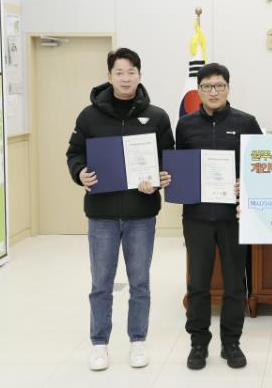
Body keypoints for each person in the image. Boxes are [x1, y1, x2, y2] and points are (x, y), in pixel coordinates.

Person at [66, 47, 174, 371]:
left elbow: (167, 160)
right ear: (109, 76)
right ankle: (99, 344)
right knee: (101, 283)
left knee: (139, 282)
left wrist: (159, 180)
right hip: (102, 214)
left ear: (140, 75)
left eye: (131, 72)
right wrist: (80, 173)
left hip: (142, 213)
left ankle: (138, 341)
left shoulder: (157, 117)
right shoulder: (89, 116)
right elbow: (74, 154)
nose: (125, 78)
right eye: (119, 72)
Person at [176, 63, 262, 370]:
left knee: (235, 284)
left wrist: (246, 183)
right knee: (198, 284)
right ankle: (198, 344)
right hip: (196, 217)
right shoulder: (185, 125)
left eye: (219, 86)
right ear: (198, 90)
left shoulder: (246, 122)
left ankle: (231, 343)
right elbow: (180, 168)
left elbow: (263, 165)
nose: (214, 92)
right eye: (207, 86)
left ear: (228, 88)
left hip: (233, 217)